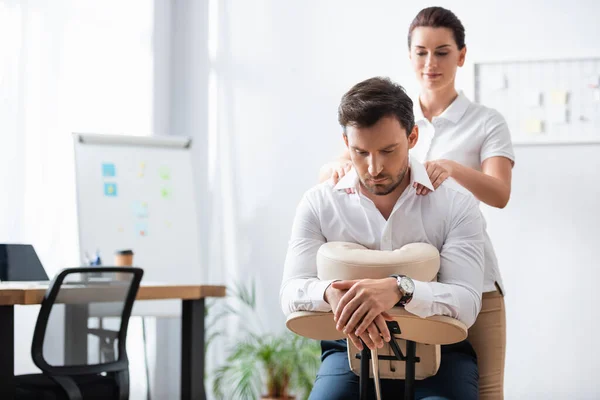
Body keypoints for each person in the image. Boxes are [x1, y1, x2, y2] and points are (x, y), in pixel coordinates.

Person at [319, 7, 514, 399]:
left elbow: (499, 192)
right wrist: (332, 170)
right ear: (409, 56)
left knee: (485, 390)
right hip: (398, 271)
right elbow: (342, 168)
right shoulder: (392, 117)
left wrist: (450, 169)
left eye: (442, 52)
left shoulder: (485, 122)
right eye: (421, 52)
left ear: (461, 55)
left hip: (470, 276)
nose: (431, 63)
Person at [281, 76, 484, 400]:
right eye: (361, 152)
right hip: (348, 353)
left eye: (388, 151)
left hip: (441, 353)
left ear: (412, 136)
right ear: (346, 143)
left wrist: (400, 289)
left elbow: (467, 303)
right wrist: (332, 293)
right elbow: (291, 292)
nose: (374, 167)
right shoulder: (320, 203)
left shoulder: (455, 205)